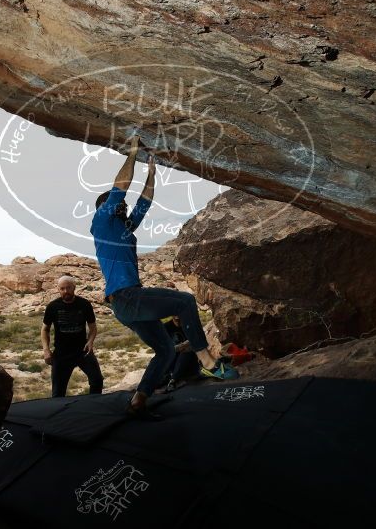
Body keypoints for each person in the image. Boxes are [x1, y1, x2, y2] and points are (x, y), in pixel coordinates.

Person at [90, 134, 238, 419]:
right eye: (115, 204)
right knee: (184, 302)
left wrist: (151, 173)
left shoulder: (123, 228)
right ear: (105, 208)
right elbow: (120, 187)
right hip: (127, 297)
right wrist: (132, 153)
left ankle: (139, 399)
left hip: (126, 306)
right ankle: (206, 359)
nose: (121, 206)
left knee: (166, 351)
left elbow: (143, 204)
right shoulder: (101, 222)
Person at [40, 275, 103, 398]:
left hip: (82, 350)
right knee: (58, 391)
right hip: (61, 353)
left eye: (68, 288)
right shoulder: (53, 307)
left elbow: (92, 327)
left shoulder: (84, 304)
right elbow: (45, 329)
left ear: (74, 287)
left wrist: (90, 341)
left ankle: (94, 405)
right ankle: (59, 414)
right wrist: (46, 350)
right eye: (62, 288)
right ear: (58, 289)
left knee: (97, 380)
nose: (65, 291)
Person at [159, 315, 201, 392]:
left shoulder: (190, 325)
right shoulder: (165, 327)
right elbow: (162, 348)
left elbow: (196, 343)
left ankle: (173, 380)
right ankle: (166, 378)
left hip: (188, 361)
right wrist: (181, 346)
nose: (178, 316)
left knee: (187, 351)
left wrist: (185, 346)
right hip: (173, 360)